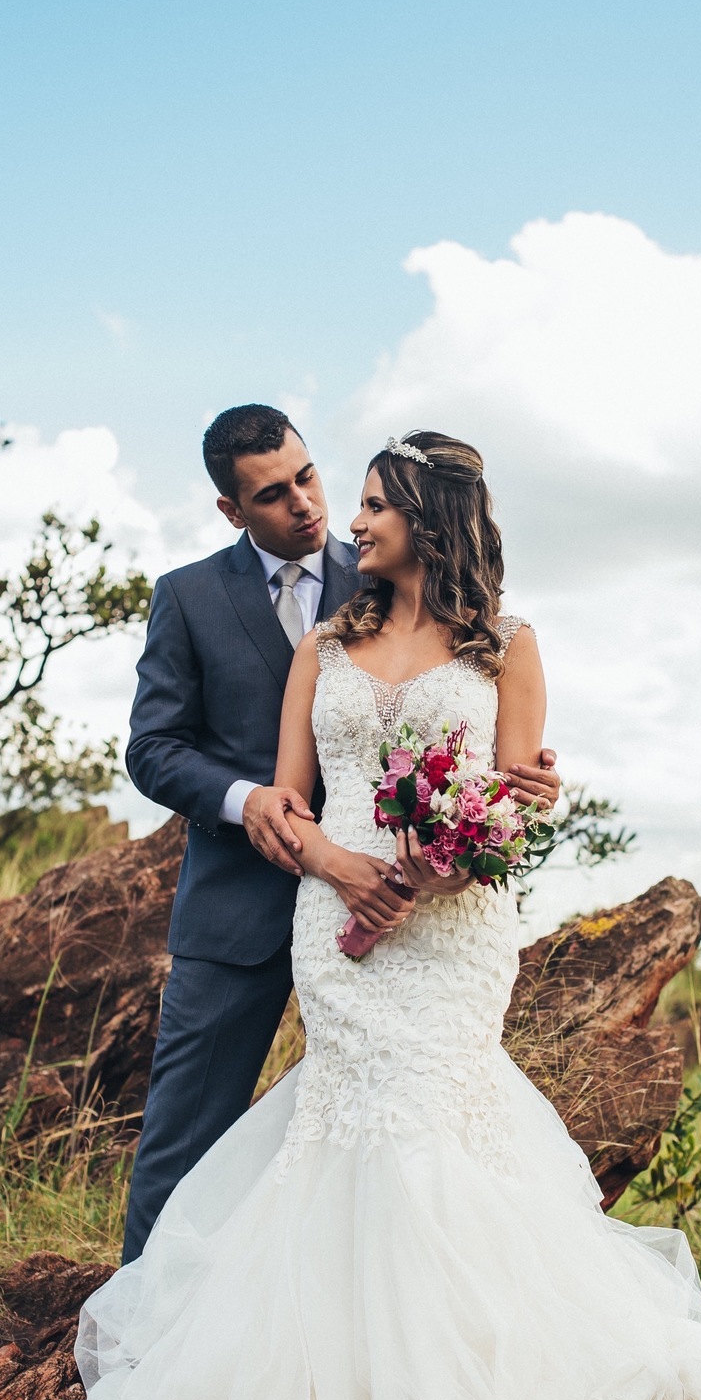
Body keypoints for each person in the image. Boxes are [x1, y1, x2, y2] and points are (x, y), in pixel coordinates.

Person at [54, 431, 701, 1400]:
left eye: (375, 501)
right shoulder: (321, 646)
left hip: (453, 940)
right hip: (330, 927)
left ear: (428, 519)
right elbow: (285, 802)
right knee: (347, 1130)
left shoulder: (512, 648)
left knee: (435, 1132)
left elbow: (510, 793)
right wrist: (348, 869)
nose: (348, 513)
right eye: (336, 498)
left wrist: (454, 849)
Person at [120, 404, 558, 1263]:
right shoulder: (190, 597)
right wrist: (260, 809)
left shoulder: (401, 572)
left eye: (309, 476)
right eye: (274, 494)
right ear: (233, 510)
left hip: (426, 920)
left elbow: (502, 767)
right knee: (185, 1143)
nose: (312, 507)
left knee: (417, 1133)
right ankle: (140, 1349)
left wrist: (506, 808)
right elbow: (153, 747)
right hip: (261, 907)